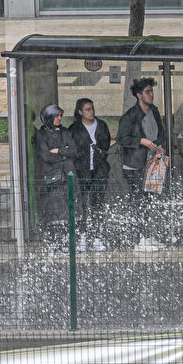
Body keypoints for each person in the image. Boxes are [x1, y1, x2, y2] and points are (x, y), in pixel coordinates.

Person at [116, 77, 165, 250]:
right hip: (134, 165)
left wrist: (159, 145)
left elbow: (161, 132)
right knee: (138, 202)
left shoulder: (154, 111)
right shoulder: (130, 116)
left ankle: (148, 236)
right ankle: (140, 239)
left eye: (151, 91)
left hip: (151, 163)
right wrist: (141, 141)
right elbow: (121, 138)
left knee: (149, 200)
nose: (151, 95)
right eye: (147, 92)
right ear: (138, 95)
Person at [68, 98, 111, 252]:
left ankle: (98, 237)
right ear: (80, 112)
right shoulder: (74, 129)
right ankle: (83, 237)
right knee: (82, 206)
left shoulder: (102, 126)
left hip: (99, 170)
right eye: (87, 109)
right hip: (82, 171)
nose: (91, 112)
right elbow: (72, 150)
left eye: (92, 108)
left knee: (97, 204)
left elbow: (106, 145)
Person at [34, 103, 77, 250]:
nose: (60, 118)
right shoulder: (41, 134)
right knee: (54, 211)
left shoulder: (65, 132)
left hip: (68, 176)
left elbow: (73, 149)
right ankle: (55, 242)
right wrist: (64, 155)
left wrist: (58, 150)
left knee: (68, 209)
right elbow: (45, 155)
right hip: (52, 178)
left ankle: (68, 242)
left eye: (61, 115)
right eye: (56, 116)